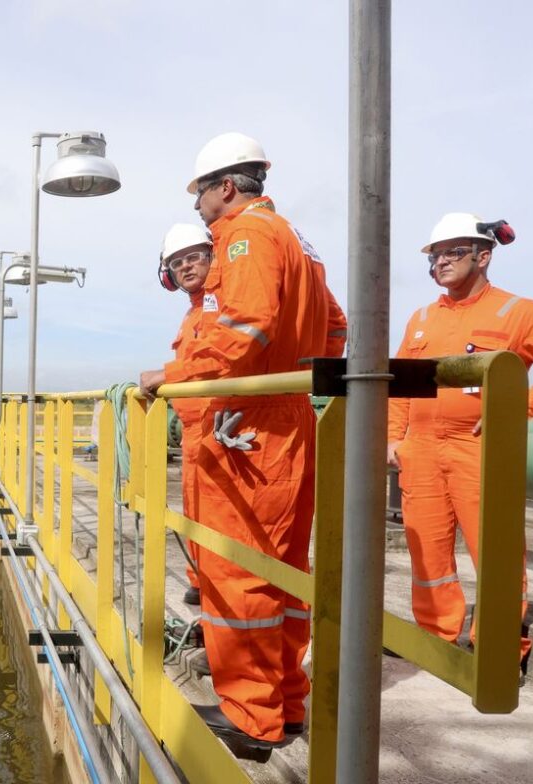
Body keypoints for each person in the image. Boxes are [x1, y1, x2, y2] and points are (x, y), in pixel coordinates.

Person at [164, 132, 344, 757]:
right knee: (282, 573)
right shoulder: (295, 240)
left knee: (236, 572)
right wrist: (293, 383)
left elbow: (244, 327)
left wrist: (174, 375)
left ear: (226, 187)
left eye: (200, 194)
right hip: (286, 418)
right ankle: (285, 704)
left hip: (246, 427)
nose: (198, 208)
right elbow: (336, 327)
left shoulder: (245, 236)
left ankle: (251, 720)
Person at [387, 213, 533, 666]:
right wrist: (394, 437)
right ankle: (433, 637)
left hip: (480, 448)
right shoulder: (421, 319)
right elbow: (402, 383)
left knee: (495, 549)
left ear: (484, 256)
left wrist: (517, 407)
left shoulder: (520, 312)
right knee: (426, 551)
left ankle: (498, 648)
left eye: (454, 252)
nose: (441, 262)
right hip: (422, 449)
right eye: (436, 255)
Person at [139, 223, 216, 608]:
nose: (185, 267)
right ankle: (201, 580)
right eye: (176, 262)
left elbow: (219, 360)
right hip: (194, 433)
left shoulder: (222, 305)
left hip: (219, 429)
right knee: (195, 513)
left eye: (193, 257)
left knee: (219, 519)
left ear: (212, 258)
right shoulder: (194, 314)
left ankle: (216, 592)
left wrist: (166, 376)